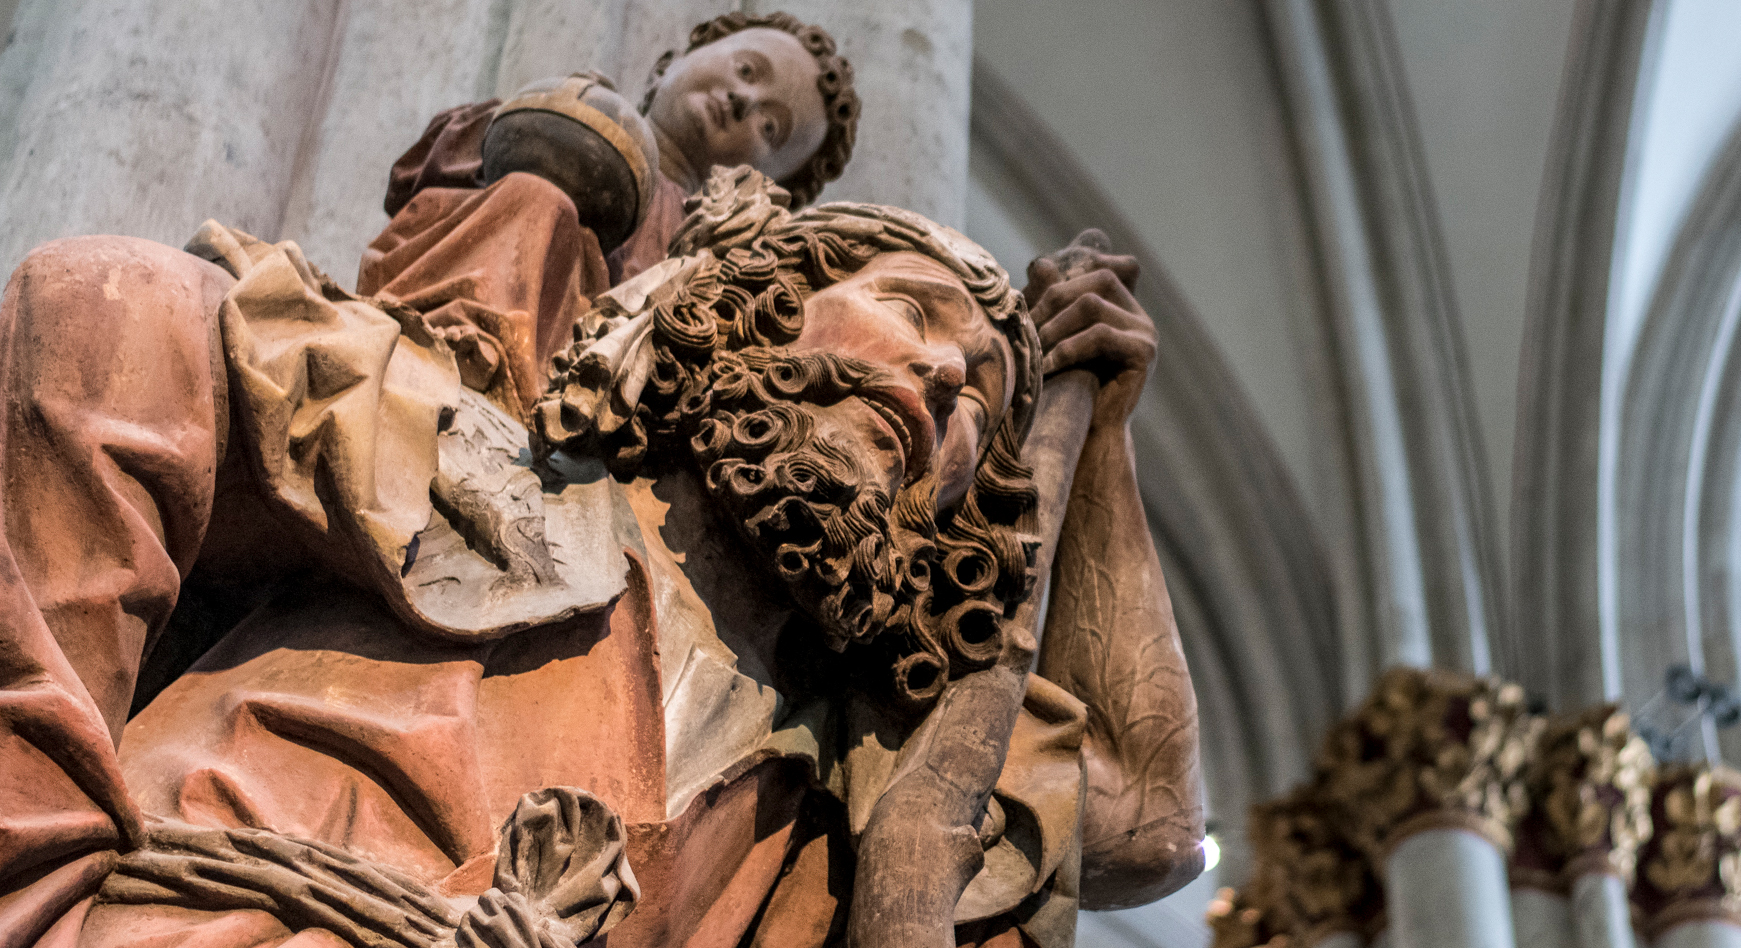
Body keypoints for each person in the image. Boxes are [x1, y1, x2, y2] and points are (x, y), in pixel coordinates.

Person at [0, 164, 1201, 947]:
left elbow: (1146, 820)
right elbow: (103, 315)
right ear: (743, 305)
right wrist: (34, 842)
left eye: (983, 404)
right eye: (911, 312)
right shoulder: (468, 463)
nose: (943, 380)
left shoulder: (857, 767)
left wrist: (1094, 458)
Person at [358, 10, 860, 418]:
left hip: (561, 370)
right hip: (447, 289)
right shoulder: (566, 104)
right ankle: (457, 342)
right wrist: (541, 119)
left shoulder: (701, 251)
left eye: (770, 127)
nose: (743, 100)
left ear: (765, 185)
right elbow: (415, 175)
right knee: (538, 200)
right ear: (669, 63)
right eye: (747, 70)